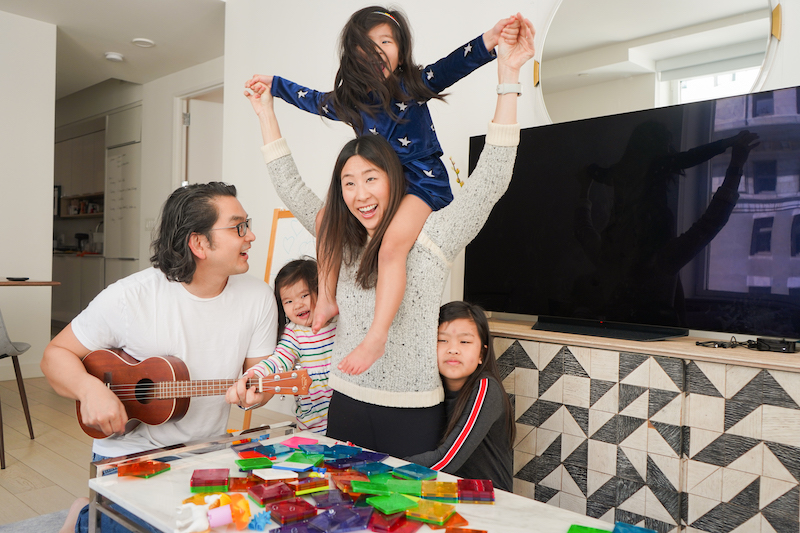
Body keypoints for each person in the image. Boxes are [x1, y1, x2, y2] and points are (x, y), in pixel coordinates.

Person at [236, 13, 535, 458]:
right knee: (340, 512)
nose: (359, 194)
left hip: (410, 408)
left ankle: (372, 335)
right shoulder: (341, 237)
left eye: (371, 178)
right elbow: (291, 181)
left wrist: (507, 72)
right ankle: (329, 296)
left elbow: (491, 176)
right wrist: (266, 108)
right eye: (349, 182)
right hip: (344, 398)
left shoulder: (431, 236)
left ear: (394, 178)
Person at [43, 182, 278, 533]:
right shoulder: (130, 296)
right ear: (198, 243)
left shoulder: (258, 297)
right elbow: (55, 354)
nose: (251, 236)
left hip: (207, 450)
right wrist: (90, 390)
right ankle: (84, 515)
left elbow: (262, 378)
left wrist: (260, 394)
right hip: (129, 452)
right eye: (238, 227)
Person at [405, 301, 515, 492]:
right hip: (445, 493)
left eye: (464, 342)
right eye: (442, 340)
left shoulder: (486, 388)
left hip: (489, 502)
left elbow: (448, 459)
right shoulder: (429, 388)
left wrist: (388, 469)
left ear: (482, 353)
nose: (453, 349)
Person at [227, 258, 335, 433]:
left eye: (304, 295)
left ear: (321, 291)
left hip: (348, 419)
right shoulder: (294, 334)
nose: (298, 304)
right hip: (313, 427)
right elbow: (278, 361)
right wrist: (253, 375)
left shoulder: (340, 325)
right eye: (288, 301)